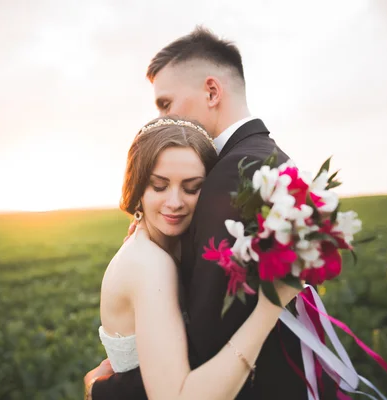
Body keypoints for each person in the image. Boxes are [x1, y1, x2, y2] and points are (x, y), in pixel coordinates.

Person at [86, 27, 338, 399]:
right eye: (159, 185)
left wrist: (114, 390)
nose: (161, 117)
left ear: (211, 91)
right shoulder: (269, 159)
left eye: (166, 103)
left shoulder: (229, 178)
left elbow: (208, 343)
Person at [83, 116, 302, 400]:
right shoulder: (149, 264)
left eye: (192, 188)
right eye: (159, 186)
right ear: (137, 189)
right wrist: (269, 307)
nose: (174, 203)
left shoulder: (167, 249)